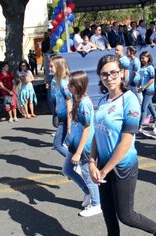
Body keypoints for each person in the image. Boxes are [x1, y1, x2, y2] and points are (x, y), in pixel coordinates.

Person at [88, 54, 156, 236]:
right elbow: (97, 132)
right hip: (103, 164)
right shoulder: (103, 101)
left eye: (113, 73)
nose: (109, 78)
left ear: (121, 74)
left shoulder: (130, 100)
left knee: (126, 215)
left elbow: (127, 140)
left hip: (123, 167)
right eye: (104, 74)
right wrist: (91, 162)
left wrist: (104, 171)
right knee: (108, 213)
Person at [64, 71, 102, 217]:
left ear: (78, 85)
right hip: (74, 143)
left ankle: (96, 204)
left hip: (84, 147)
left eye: (71, 84)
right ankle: (87, 192)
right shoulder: (76, 99)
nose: (68, 87)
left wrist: (79, 152)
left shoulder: (84, 103)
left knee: (88, 175)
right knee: (67, 170)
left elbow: (87, 128)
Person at [50, 55, 72, 158]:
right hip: (62, 116)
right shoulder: (56, 81)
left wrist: (69, 124)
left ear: (58, 67)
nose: (50, 68)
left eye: (51, 66)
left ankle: (75, 162)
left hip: (66, 118)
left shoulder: (63, 83)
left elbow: (69, 102)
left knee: (57, 145)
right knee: (64, 144)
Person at [138, 51, 156, 128]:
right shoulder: (142, 68)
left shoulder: (150, 67)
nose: (142, 59)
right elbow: (141, 78)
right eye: (141, 58)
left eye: (144, 58)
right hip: (143, 90)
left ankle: (140, 125)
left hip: (149, 90)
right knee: (150, 105)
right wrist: (139, 86)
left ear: (148, 58)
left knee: (143, 107)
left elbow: (152, 80)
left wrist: (144, 87)